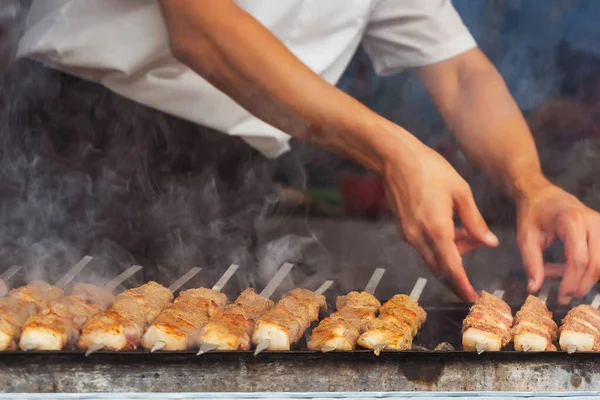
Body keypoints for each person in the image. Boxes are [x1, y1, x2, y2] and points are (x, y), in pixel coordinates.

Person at [5, 0, 600, 304]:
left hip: (234, 168)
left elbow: (461, 72)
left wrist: (532, 183)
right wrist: (392, 151)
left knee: (211, 354)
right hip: (84, 140)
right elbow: (198, 24)